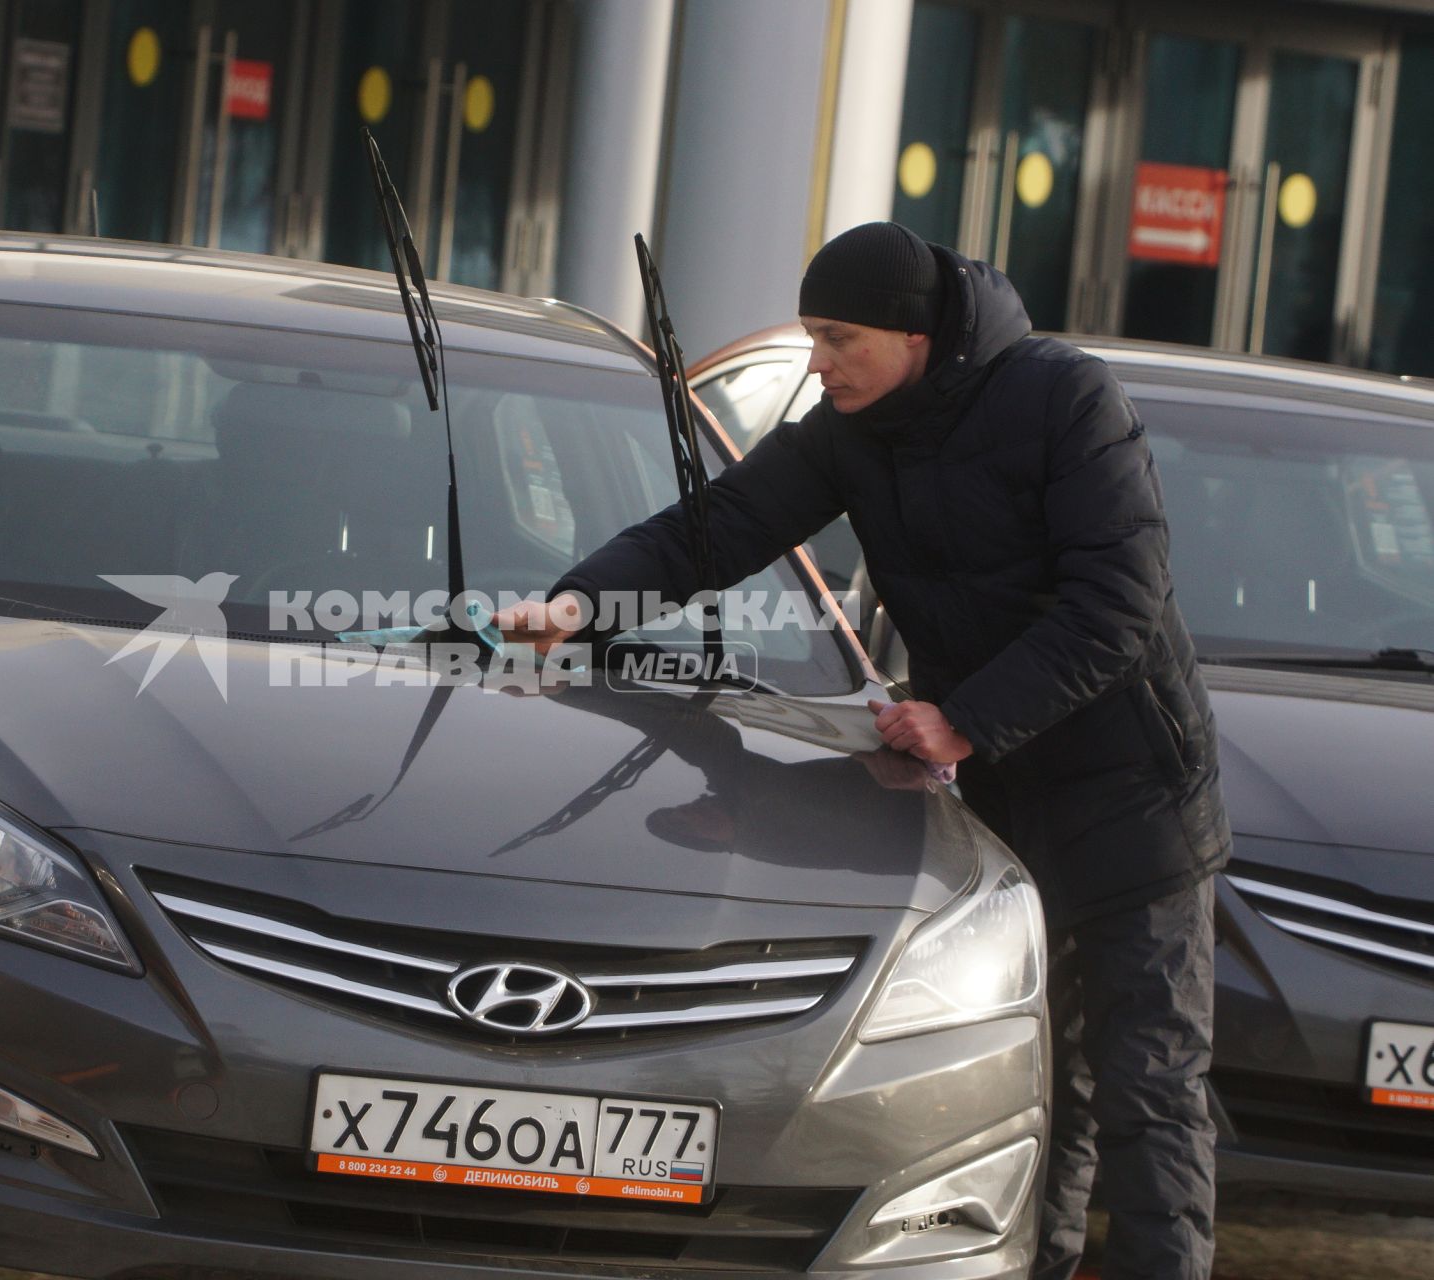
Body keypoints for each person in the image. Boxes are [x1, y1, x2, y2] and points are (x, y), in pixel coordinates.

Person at [497, 221, 1231, 1280]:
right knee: (1042, 1078)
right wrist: (574, 605)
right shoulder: (849, 428)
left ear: (916, 332)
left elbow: (1116, 604)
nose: (817, 361)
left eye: (837, 336)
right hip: (999, 803)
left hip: (1132, 801)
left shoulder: (1063, 398)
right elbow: (715, 528)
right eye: (809, 335)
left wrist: (963, 717)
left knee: (1144, 1084)